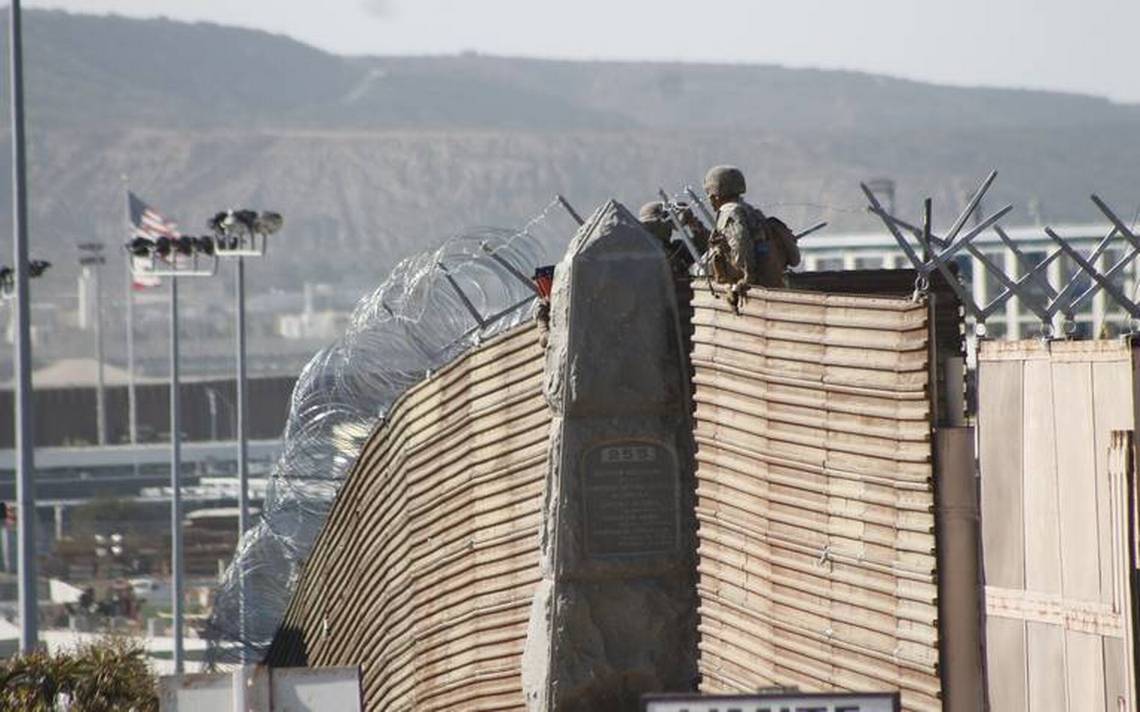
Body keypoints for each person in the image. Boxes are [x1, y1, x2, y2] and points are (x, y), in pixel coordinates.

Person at [703, 165, 800, 311]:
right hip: (770, 280)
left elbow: (740, 245)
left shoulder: (730, 212)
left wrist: (746, 280)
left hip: (755, 286)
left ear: (715, 193)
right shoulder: (749, 210)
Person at [638, 201, 710, 276]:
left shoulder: (677, 247)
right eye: (659, 222)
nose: (669, 227)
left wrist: (694, 225)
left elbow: (705, 252)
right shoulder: (646, 253)